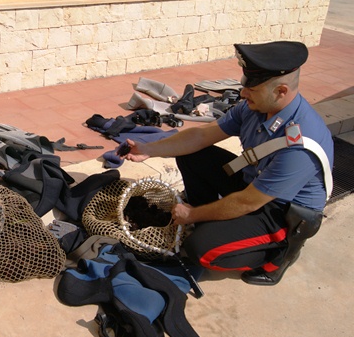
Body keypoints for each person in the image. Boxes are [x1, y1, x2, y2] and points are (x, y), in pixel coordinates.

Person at [120, 41, 334, 286]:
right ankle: (209, 221)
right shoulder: (256, 107)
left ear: (281, 91)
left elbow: (248, 202)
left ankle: (281, 254)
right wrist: (148, 149)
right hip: (253, 184)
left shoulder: (300, 144)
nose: (243, 93)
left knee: (201, 249)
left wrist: (191, 214)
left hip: (281, 214)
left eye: (252, 89)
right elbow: (201, 136)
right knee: (192, 154)